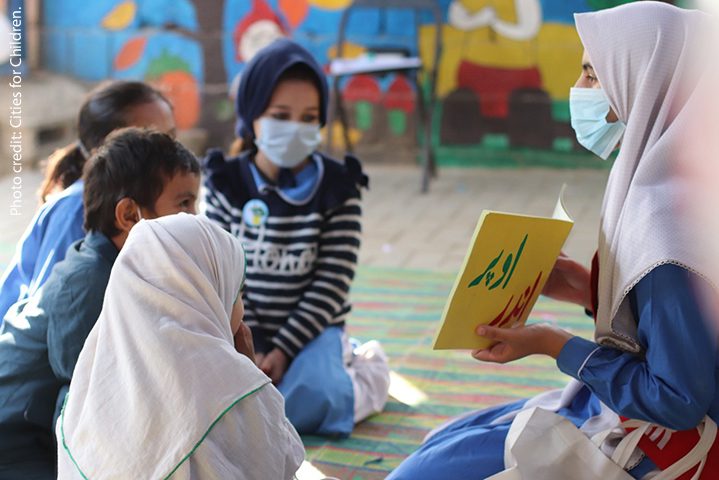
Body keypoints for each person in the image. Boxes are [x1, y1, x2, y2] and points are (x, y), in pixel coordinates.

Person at [388, 3, 719, 479]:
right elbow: (685, 329)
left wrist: (556, 344)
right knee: (447, 442)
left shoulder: (670, 230)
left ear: (644, 81)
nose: (577, 91)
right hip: (631, 411)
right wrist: (586, 288)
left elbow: (677, 398)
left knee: (419, 475)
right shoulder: (672, 183)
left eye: (591, 74)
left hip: (671, 443)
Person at [202, 38, 390, 437]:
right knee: (211, 399)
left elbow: (332, 282)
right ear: (251, 115)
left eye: (309, 118)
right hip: (238, 327)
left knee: (314, 398)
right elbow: (219, 275)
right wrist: (245, 341)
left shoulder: (339, 187)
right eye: (280, 115)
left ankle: (367, 370)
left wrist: (283, 349)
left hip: (310, 330)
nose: (295, 128)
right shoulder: (225, 182)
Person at [0, 128, 199, 479]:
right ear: (129, 215)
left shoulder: (124, 268)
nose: (195, 218)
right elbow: (80, 402)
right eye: (183, 204)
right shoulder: (89, 282)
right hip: (16, 442)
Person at [57, 214, 305, 479]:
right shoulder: (230, 389)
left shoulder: (89, 385)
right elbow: (282, 462)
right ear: (204, 291)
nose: (239, 305)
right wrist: (249, 374)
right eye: (238, 291)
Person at [0, 80, 175, 323]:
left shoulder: (147, 204)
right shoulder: (75, 211)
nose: (172, 153)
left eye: (172, 137)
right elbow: (49, 316)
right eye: (151, 141)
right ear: (105, 151)